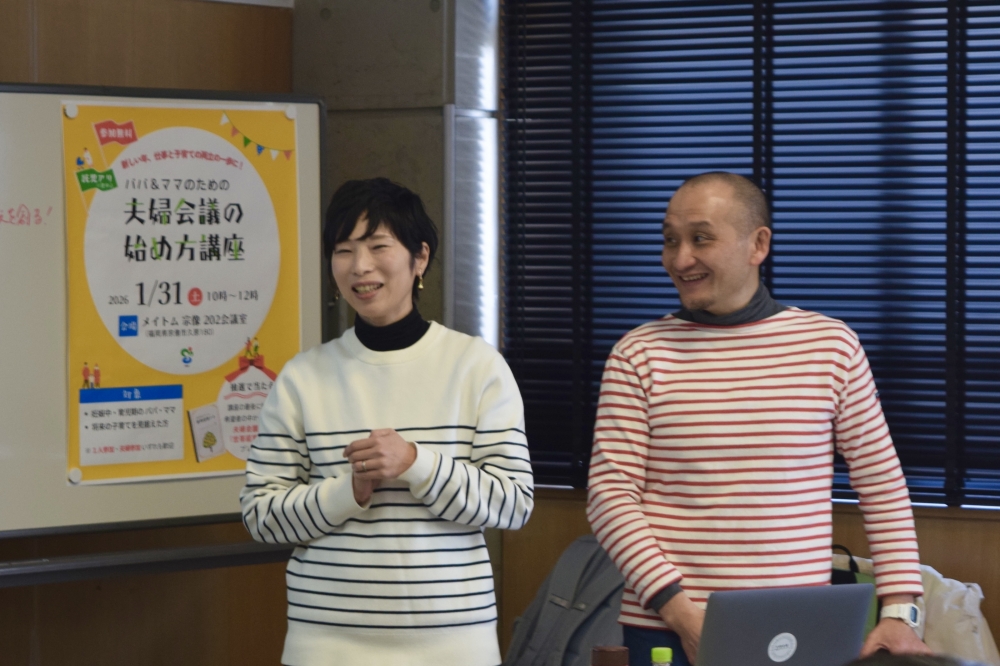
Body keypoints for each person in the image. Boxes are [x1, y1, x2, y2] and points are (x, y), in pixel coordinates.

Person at [586, 172, 930, 666]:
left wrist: (900, 611)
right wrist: (683, 616)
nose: (679, 260)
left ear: (758, 244)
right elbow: (610, 498)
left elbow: (881, 484)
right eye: (670, 240)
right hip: (667, 629)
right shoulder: (639, 353)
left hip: (796, 629)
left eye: (701, 238)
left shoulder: (830, 346)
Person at [240, 177, 534, 666]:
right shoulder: (303, 377)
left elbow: (513, 504)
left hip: (454, 645)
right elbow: (261, 516)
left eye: (378, 246)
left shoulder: (476, 367)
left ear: (420, 258)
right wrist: (348, 491)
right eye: (344, 250)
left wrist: (417, 463)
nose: (360, 266)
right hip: (326, 646)